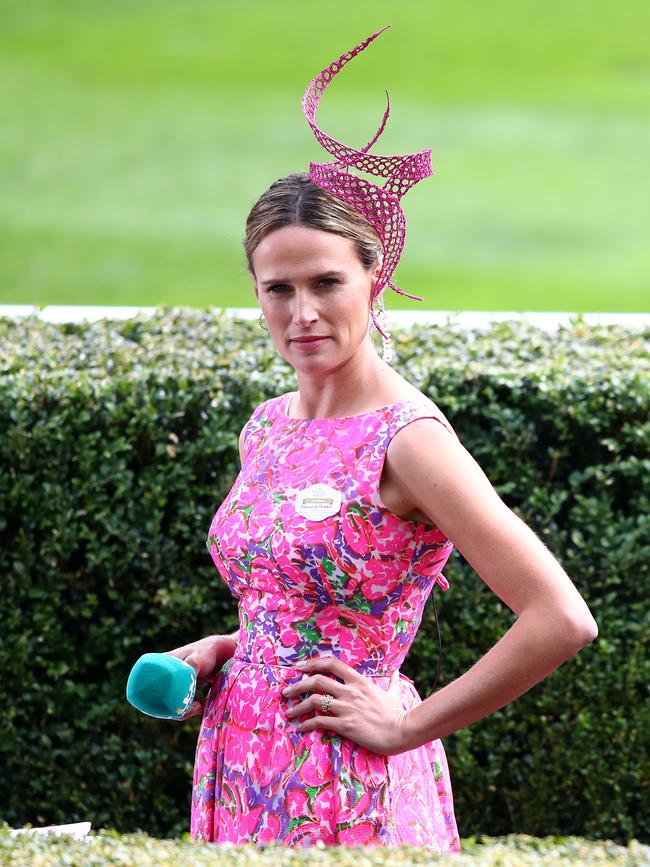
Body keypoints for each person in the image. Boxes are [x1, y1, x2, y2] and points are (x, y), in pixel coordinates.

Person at [166, 29, 598, 853]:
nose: (303, 314)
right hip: (236, 754)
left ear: (375, 273)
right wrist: (227, 649)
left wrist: (404, 725)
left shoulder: (409, 439)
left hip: (347, 778)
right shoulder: (266, 425)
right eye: (278, 288)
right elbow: (288, 599)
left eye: (327, 282)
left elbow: (560, 617)